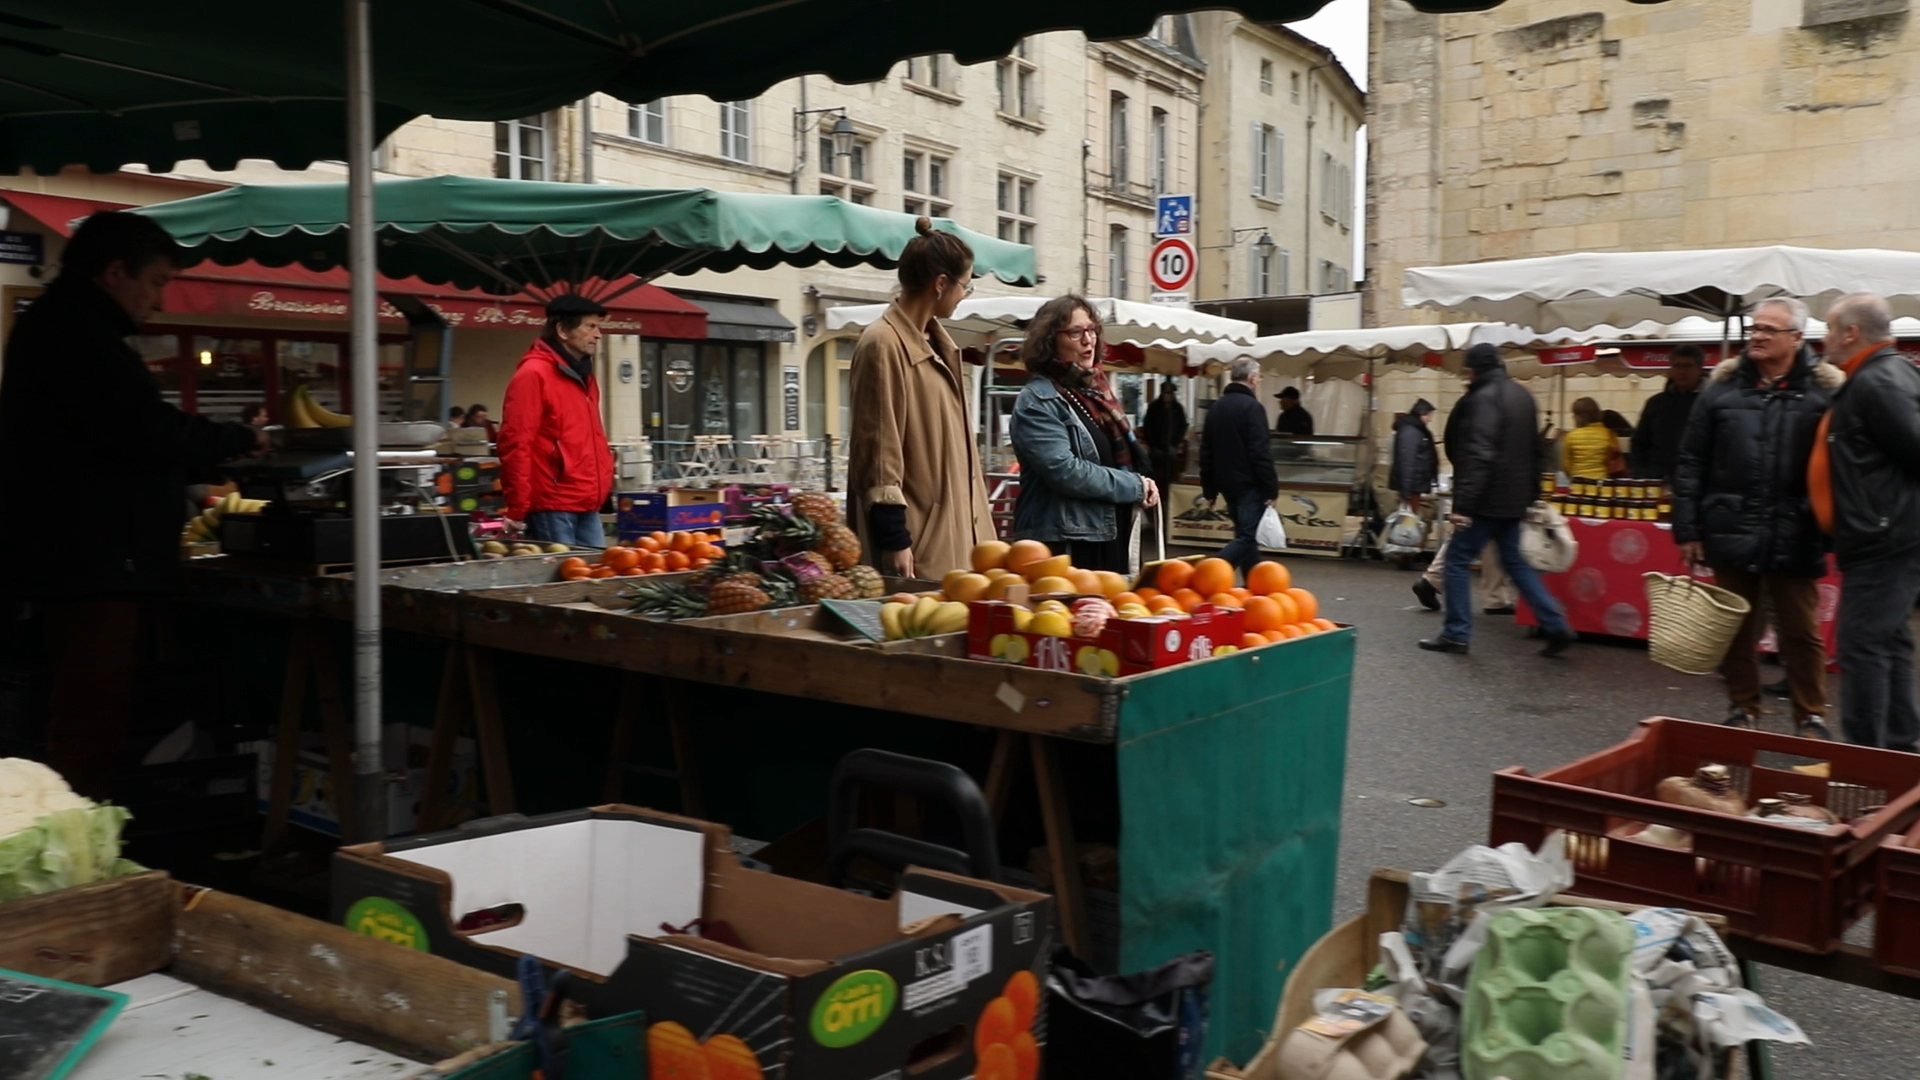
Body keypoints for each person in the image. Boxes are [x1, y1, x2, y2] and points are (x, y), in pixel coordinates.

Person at [0, 211, 265, 797]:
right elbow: (146, 432)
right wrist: (239, 439)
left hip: (79, 556)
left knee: (83, 711)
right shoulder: (78, 337)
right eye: (156, 280)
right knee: (87, 716)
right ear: (114, 272)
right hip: (91, 562)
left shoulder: (62, 327)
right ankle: (73, 847)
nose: (159, 296)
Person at [1672, 297, 1838, 739]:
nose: (1758, 336)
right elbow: (1690, 461)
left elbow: (1842, 465)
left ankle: (1811, 714)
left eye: (1769, 330)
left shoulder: (1824, 394)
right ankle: (1743, 707)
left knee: (1801, 632)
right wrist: (1687, 528)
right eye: (1754, 329)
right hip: (1731, 526)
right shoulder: (1721, 391)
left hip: (1795, 529)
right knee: (1734, 629)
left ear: (1797, 339)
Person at [848, 217, 993, 578]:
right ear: (941, 284)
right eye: (966, 286)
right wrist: (895, 539)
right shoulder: (883, 343)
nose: (965, 296)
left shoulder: (940, 347)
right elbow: (879, 453)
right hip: (918, 549)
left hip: (960, 543)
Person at [1812, 293, 1919, 752]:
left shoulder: (1878, 381)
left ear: (1851, 333)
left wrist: (1881, 520)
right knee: (1888, 643)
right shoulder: (1877, 376)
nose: (1824, 337)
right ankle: (1897, 752)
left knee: (1861, 647)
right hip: (1883, 537)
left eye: (1830, 328)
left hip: (1883, 540)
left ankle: (1864, 765)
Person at [1419, 344, 1576, 657]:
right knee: (1516, 563)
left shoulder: (1481, 399)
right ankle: (1555, 623)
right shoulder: (1523, 396)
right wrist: (1533, 494)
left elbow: (1479, 453)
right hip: (1515, 498)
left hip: (1486, 498)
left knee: (1457, 560)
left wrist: (1464, 503)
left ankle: (1456, 632)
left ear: (1473, 370)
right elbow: (1536, 451)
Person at [1008, 296, 1158, 572]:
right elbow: (1065, 471)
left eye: (1092, 330)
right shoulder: (1038, 400)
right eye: (1076, 332)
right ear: (1050, 340)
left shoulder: (1096, 392)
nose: (1089, 340)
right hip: (1065, 544)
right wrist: (1133, 486)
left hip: (1106, 534)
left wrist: (1140, 483)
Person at [498, 295, 613, 549]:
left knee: (594, 580)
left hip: (585, 500)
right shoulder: (533, 374)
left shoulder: (583, 375)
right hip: (553, 503)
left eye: (598, 326)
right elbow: (515, 443)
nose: (598, 334)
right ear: (562, 330)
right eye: (590, 326)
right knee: (564, 583)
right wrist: (518, 506)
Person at [1199, 356, 1278, 579]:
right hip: (1250, 484)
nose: (1259, 382)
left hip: (1226, 484)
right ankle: (1210, 573)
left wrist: (1210, 490)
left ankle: (1253, 586)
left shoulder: (1216, 408)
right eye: (1259, 378)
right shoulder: (1253, 408)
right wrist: (1271, 488)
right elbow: (1260, 452)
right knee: (1246, 535)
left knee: (1246, 535)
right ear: (1252, 378)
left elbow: (1207, 452)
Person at [1630, 343, 1704, 481]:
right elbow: (1639, 442)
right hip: (1657, 480)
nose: (1682, 371)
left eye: (1687, 366)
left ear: (1699, 369)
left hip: (1697, 482)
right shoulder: (1655, 403)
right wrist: (1641, 473)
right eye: (1677, 366)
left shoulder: (1710, 403)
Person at [1141, 379, 1189, 505]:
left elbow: (1183, 426)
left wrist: (1176, 442)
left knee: (1172, 474)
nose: (1168, 396)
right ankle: (1155, 497)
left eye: (1170, 393)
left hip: (1171, 446)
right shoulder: (1154, 407)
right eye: (1166, 393)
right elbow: (1147, 426)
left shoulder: (1177, 408)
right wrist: (1152, 443)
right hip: (1156, 447)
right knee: (1154, 473)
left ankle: (1169, 499)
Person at [1390, 398, 1438, 515]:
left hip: (1414, 483)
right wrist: (1407, 491)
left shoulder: (1415, 430)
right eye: (1428, 415)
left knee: (1410, 518)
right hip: (1412, 484)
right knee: (1408, 520)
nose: (1430, 419)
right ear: (1421, 413)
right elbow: (1407, 461)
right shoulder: (1410, 431)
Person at [1559, 397, 1618, 478]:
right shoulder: (1609, 434)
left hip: (1578, 483)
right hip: (1602, 483)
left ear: (1578, 417)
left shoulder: (1570, 436)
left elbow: (1566, 465)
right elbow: (1614, 459)